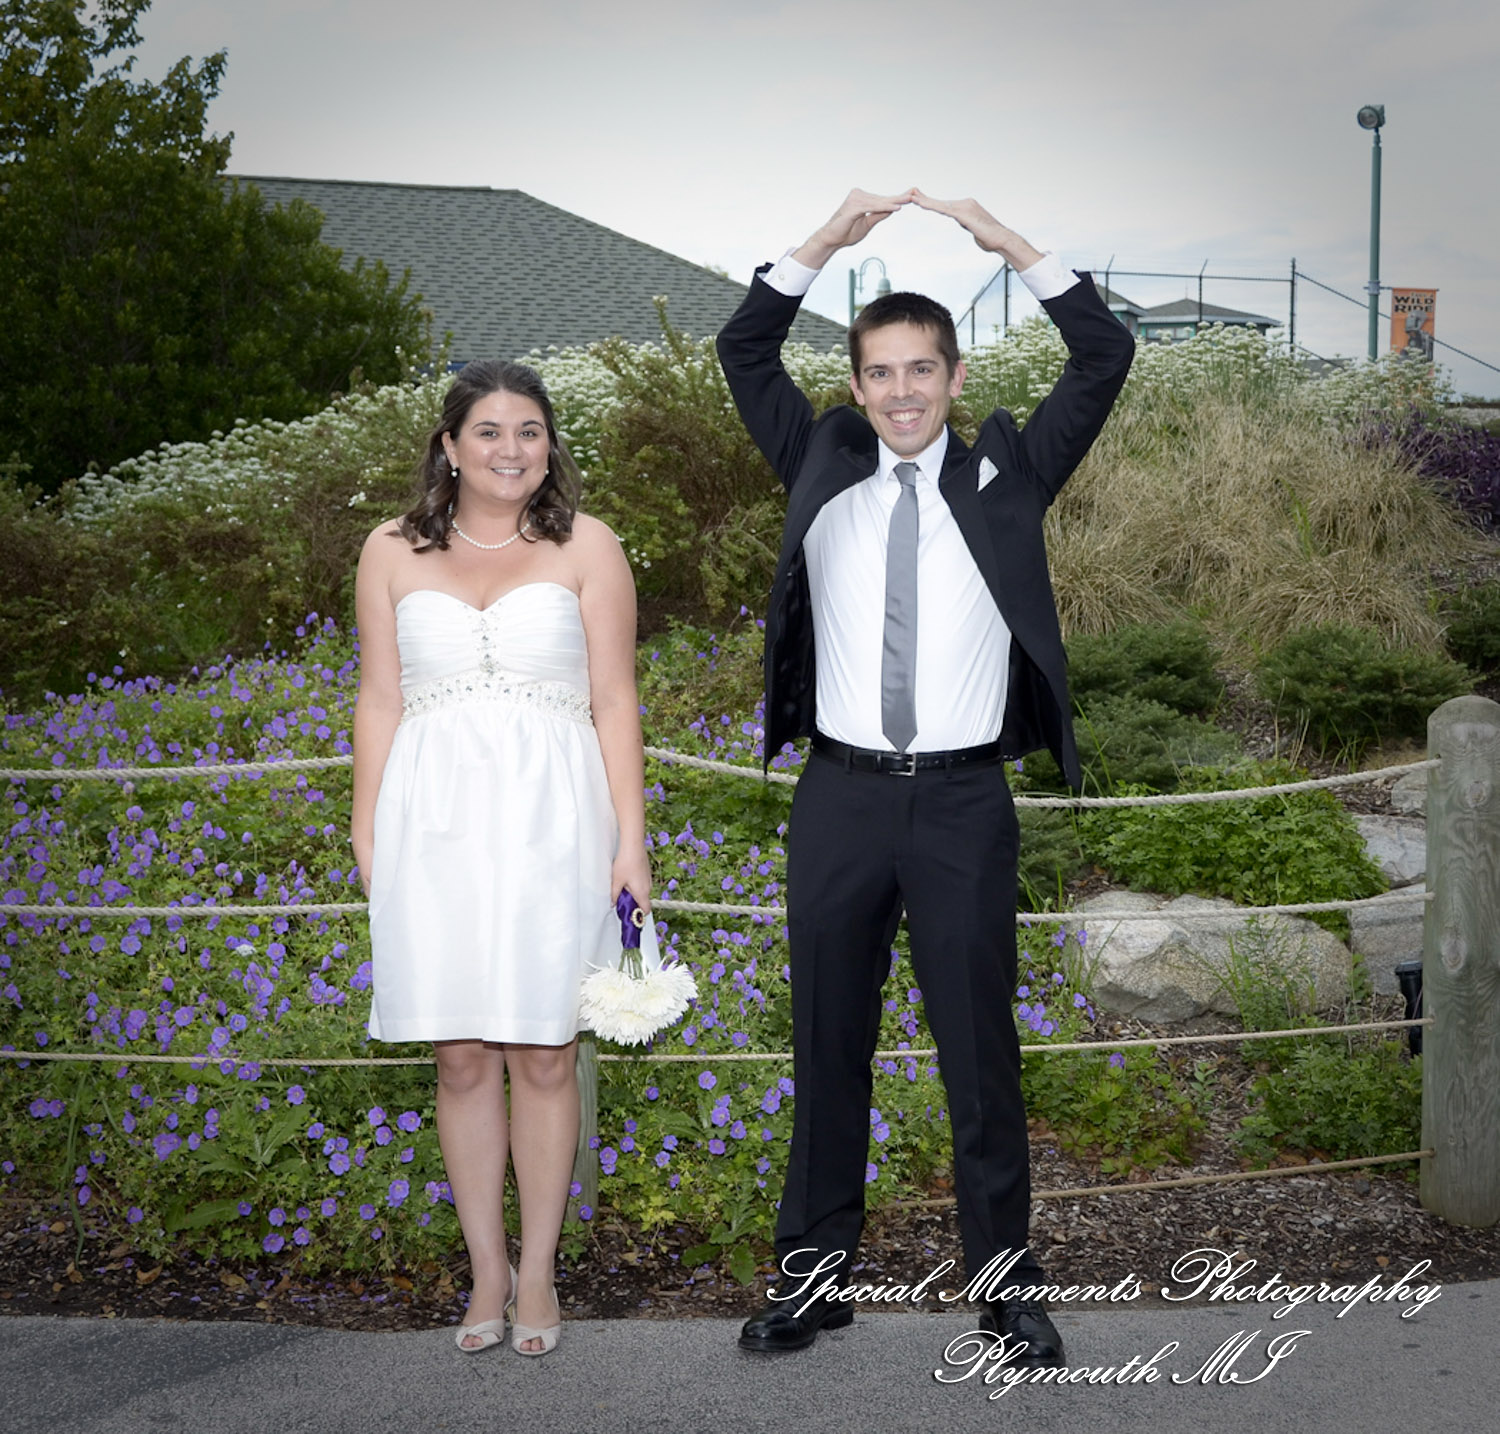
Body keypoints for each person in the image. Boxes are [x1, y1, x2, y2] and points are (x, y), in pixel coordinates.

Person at [717, 189, 1134, 1363]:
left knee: (979, 1053)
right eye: (881, 373)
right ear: (856, 388)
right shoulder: (819, 460)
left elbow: (1105, 353)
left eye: (922, 371)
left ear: (954, 379)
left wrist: (1013, 247)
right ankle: (812, 1279)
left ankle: (1005, 1288)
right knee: (826, 1040)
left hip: (961, 803)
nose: (901, 392)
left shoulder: (1012, 472)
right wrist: (823, 245)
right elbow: (742, 346)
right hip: (841, 798)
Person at [350, 359, 650, 1357]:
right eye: (488, 431)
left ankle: (541, 1274)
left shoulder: (588, 547)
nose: (511, 449)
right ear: (449, 445)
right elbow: (380, 701)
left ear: (550, 445)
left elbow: (615, 702)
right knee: (461, 1054)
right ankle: (485, 1268)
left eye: (530, 430)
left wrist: (631, 844)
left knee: (545, 1051)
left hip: (553, 825)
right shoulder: (389, 551)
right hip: (429, 829)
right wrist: (367, 833)